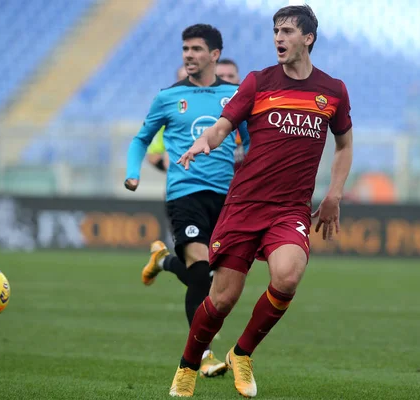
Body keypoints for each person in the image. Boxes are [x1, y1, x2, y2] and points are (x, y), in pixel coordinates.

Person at [169, 5, 353, 397]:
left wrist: (334, 193)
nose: (278, 38)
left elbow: (344, 144)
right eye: (275, 31)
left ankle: (243, 353)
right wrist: (206, 140)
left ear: (308, 38)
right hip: (245, 205)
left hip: (290, 210)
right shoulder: (258, 81)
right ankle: (187, 365)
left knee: (287, 275)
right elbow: (224, 124)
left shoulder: (332, 90)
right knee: (222, 299)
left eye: (287, 31)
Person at [124, 24, 249, 379]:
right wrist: (132, 172)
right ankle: (202, 355)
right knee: (199, 269)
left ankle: (163, 260)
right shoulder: (168, 97)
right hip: (184, 192)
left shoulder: (235, 96)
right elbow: (141, 139)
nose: (189, 55)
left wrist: (249, 168)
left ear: (214, 55)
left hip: (227, 197)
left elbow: (250, 140)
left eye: (196, 49)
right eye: (185, 49)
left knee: (210, 277)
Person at [146, 66, 189, 172]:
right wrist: (173, 170)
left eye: (190, 77)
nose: (187, 82)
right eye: (182, 78)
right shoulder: (168, 113)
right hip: (179, 183)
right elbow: (153, 156)